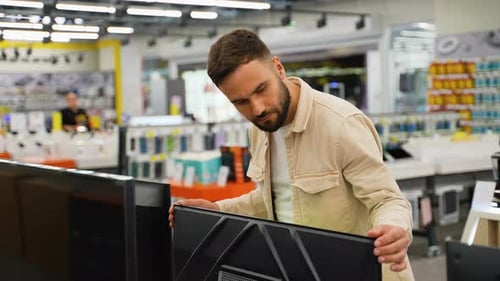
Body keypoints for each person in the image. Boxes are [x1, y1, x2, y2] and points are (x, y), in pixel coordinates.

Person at [168, 29, 415, 281]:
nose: (258, 108)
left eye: (261, 89)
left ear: (278, 68)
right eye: (240, 102)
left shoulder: (341, 124)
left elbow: (387, 200)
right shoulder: (261, 130)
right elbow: (273, 199)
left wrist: (394, 229)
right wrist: (216, 209)